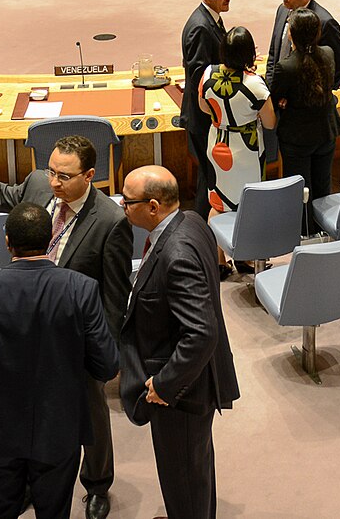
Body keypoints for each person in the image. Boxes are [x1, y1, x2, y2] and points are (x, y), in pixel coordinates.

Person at [0, 137, 132, 517]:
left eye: (64, 176)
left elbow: (115, 297)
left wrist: (102, 356)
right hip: (25, 321)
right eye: (52, 171)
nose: (54, 182)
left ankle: (98, 483)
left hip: (75, 331)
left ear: (90, 176)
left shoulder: (110, 221)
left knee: (91, 412)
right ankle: (28, 481)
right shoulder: (39, 184)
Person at [118, 166, 240, 519]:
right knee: (195, 469)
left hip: (183, 391)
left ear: (154, 207)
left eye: (129, 201)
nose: (122, 205)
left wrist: (164, 385)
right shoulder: (191, 220)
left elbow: (201, 332)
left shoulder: (177, 254)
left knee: (183, 477)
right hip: (193, 381)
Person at [268, 9, 339, 218]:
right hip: (326, 132)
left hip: (297, 138)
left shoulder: (286, 66)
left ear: (291, 34)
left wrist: (284, 102)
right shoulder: (328, 53)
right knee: (322, 185)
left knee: (300, 189)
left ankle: (303, 232)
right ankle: (323, 228)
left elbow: (275, 97)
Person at [199, 27, 275, 220]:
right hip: (247, 151)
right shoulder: (255, 84)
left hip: (217, 143)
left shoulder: (208, 74)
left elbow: (204, 107)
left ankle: (216, 251)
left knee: (218, 205)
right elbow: (270, 122)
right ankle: (247, 249)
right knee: (250, 204)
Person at [180, 0, 230, 220]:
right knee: (208, 173)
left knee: (208, 172)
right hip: (203, 113)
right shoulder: (200, 26)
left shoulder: (212, 19)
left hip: (207, 112)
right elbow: (200, 72)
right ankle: (200, 224)